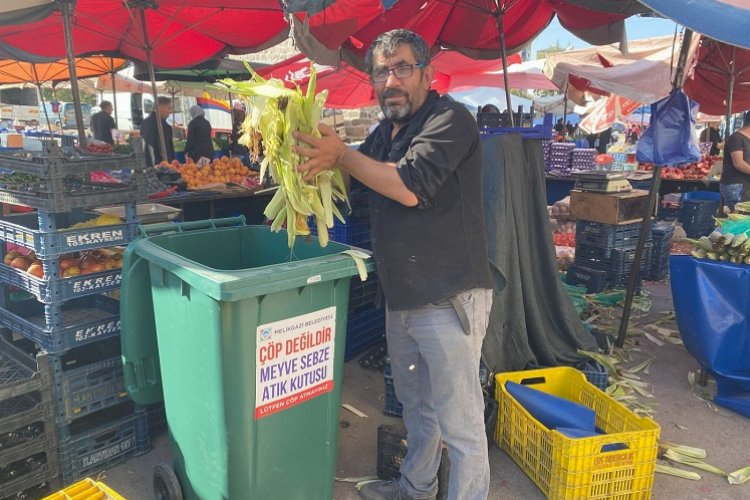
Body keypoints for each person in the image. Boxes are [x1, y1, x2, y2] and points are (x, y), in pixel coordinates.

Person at [293, 29, 493, 500]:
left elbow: (409, 186)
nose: (391, 81)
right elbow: (363, 179)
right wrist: (312, 166)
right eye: (381, 72)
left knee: (460, 424)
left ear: (427, 73)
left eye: (402, 67)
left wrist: (341, 155)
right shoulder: (384, 134)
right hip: (402, 297)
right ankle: (415, 489)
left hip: (450, 298)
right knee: (417, 410)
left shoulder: (451, 120)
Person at [720, 111, 750, 212]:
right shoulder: (736, 138)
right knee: (741, 219)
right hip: (736, 186)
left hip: (744, 185)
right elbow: (739, 164)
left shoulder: (746, 139)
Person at [140, 96, 175, 166]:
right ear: (160, 107)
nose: (170, 111)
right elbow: (164, 148)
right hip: (160, 166)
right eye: (169, 108)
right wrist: (170, 165)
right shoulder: (162, 125)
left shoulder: (144, 122)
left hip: (146, 163)